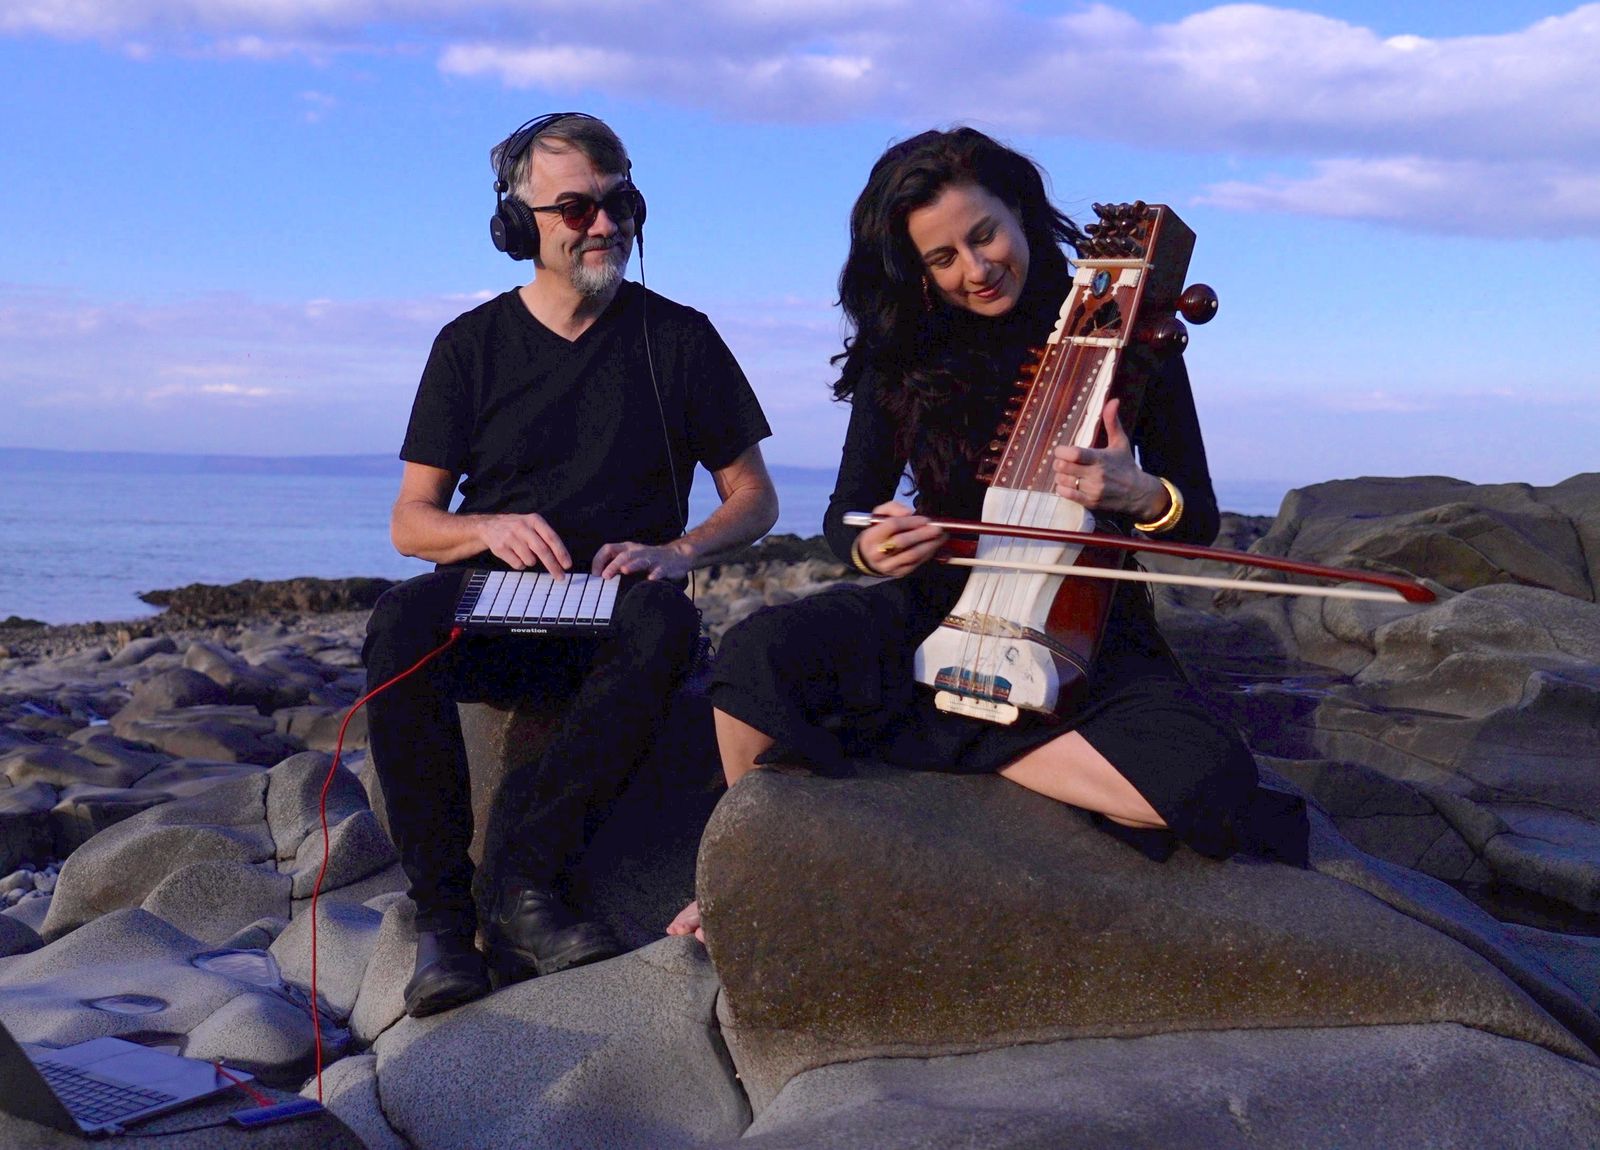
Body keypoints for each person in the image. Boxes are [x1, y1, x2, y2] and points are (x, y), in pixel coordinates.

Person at [669, 127, 1304, 941]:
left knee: (1204, 779)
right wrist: (872, 545)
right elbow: (846, 514)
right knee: (756, 652)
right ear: (916, 269)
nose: (975, 268)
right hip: (935, 606)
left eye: (985, 235)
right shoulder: (903, 350)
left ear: (1021, 213)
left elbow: (1198, 515)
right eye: (942, 258)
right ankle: (741, 867)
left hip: (1087, 619)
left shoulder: (1126, 334)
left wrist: (1141, 493)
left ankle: (921, 740)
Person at [364, 112, 777, 1016]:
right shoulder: (469, 345)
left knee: (665, 622)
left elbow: (754, 497)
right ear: (518, 225)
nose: (605, 225)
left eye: (619, 203)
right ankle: (443, 925)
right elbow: (410, 523)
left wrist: (678, 550)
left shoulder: (681, 338)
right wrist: (487, 529)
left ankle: (522, 889)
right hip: (493, 605)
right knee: (397, 623)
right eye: (577, 208)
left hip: (617, 617)